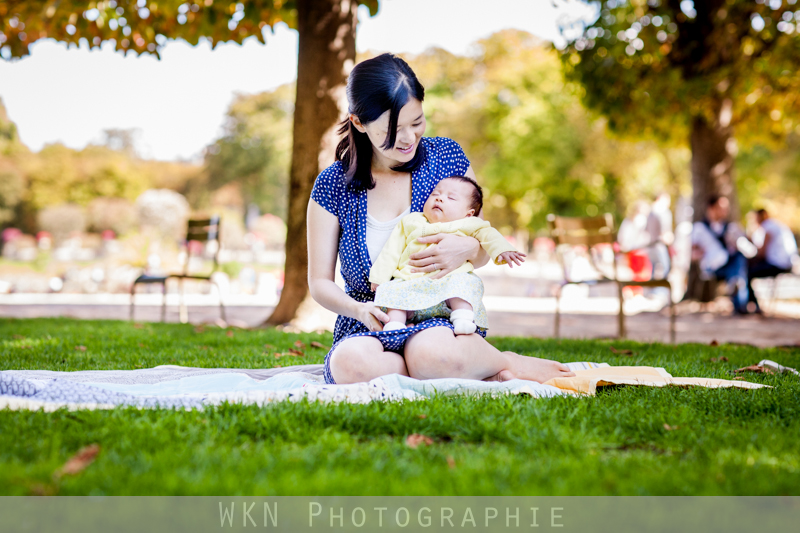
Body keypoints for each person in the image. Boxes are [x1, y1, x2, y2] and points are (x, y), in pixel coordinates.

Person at [306, 53, 574, 385]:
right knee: (351, 365)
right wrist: (360, 311)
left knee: (434, 353)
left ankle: (494, 362)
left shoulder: (446, 157)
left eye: (416, 123)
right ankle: (458, 370)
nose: (407, 139)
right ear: (359, 123)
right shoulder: (332, 184)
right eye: (392, 130)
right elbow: (319, 283)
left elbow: (480, 247)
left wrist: (465, 249)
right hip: (369, 321)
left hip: (438, 316)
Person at [369, 176, 525, 335]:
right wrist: (379, 277)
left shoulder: (470, 225)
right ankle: (395, 325)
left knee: (466, 282)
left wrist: (503, 249)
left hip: (449, 282)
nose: (440, 199)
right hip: (411, 280)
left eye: (451, 198)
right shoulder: (411, 221)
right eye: (435, 194)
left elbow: (489, 235)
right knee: (393, 290)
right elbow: (392, 249)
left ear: (468, 214)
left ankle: (462, 318)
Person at [690, 196, 750, 314]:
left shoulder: (730, 227)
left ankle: (736, 287)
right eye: (721, 208)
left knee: (738, 260)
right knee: (738, 269)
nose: (725, 211)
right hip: (712, 266)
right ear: (711, 208)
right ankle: (741, 302)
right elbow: (692, 254)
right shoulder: (699, 228)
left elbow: (745, 243)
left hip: (729, 262)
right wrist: (699, 254)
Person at [746, 208, 798, 312]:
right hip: (787, 263)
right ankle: (753, 305)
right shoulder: (776, 225)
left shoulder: (768, 227)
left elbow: (761, 253)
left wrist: (749, 240)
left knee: (745, 273)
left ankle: (753, 306)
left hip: (778, 265)